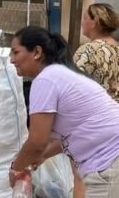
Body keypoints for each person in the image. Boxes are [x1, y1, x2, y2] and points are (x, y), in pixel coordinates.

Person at [9, 26, 119, 198]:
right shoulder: (60, 75)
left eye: (16, 52)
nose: (11, 60)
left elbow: (37, 142)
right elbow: (70, 135)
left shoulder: (46, 79)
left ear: (37, 52)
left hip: (109, 160)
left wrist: (16, 168)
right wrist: (43, 156)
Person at [74, 3, 119, 101]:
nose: (82, 22)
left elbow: (72, 85)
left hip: (94, 113)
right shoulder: (116, 49)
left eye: (85, 18)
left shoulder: (89, 50)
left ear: (95, 22)